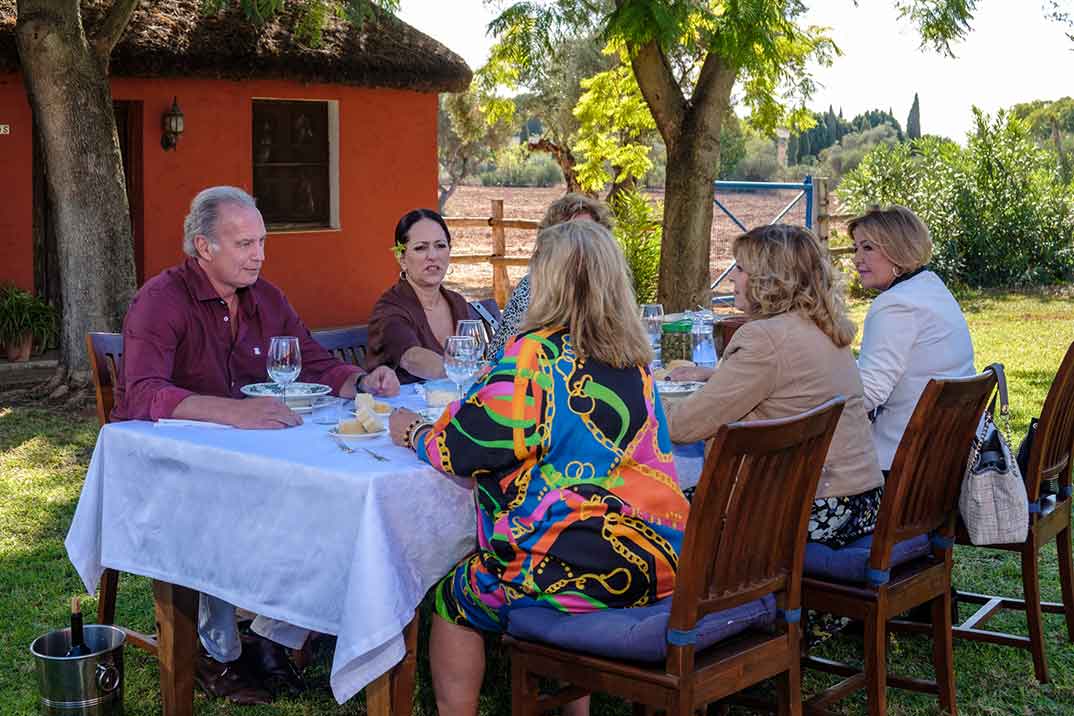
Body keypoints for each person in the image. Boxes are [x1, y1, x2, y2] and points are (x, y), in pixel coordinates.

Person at [112, 186, 400, 705]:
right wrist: (232, 411)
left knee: (327, 497)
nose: (259, 255)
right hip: (179, 470)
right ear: (204, 247)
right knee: (227, 508)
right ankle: (216, 652)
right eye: (244, 243)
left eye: (262, 242)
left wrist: (362, 382)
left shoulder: (265, 296)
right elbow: (140, 392)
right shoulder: (161, 299)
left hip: (257, 460)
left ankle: (273, 634)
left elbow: (312, 360)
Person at [389, 220, 689, 716]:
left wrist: (412, 431)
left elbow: (460, 450)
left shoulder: (532, 357)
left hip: (567, 569)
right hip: (659, 561)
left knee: (453, 599)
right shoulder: (633, 358)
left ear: (544, 282)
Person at [666, 224, 884, 551]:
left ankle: (693, 600)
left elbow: (684, 426)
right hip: (859, 501)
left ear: (767, 280)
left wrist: (643, 400)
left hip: (810, 507)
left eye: (740, 269)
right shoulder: (823, 326)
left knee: (649, 509)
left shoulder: (764, 339)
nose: (732, 278)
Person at [849, 205, 975, 472]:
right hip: (944, 458)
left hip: (899, 466)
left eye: (868, 248)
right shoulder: (931, 286)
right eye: (855, 248)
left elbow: (868, 395)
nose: (856, 258)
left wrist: (813, 395)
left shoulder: (894, 305)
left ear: (898, 249)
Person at [485, 193, 614, 359]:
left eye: (590, 234)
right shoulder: (532, 289)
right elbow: (500, 360)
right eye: (571, 234)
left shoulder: (612, 288)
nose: (582, 243)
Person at [367, 209, 479, 383]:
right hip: (402, 407)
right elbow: (411, 358)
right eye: (421, 248)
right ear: (402, 258)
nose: (432, 256)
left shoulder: (457, 302)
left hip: (454, 404)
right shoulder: (389, 308)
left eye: (440, 246)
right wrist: (465, 372)